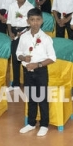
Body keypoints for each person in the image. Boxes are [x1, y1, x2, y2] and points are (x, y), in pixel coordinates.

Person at [18, 8, 56, 137]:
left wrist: (38, 64)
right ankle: (31, 123)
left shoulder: (46, 38)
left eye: (38, 20)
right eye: (32, 20)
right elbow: (18, 54)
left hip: (40, 71)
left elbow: (52, 58)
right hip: (27, 71)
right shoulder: (23, 37)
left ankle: (44, 124)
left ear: (42, 21)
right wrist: (24, 58)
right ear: (28, 21)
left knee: (42, 98)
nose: (35, 22)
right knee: (31, 98)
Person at [7, 0, 34, 91]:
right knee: (15, 58)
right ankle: (16, 83)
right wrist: (10, 32)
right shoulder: (12, 6)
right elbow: (9, 21)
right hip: (14, 32)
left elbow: (31, 24)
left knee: (25, 58)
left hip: (25, 32)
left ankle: (28, 83)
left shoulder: (30, 7)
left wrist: (23, 33)